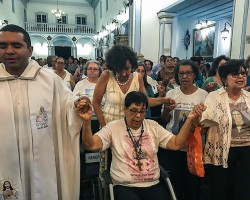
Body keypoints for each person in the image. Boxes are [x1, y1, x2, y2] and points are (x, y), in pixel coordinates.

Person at [0, 24, 86, 200]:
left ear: (29, 50)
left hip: (43, 159)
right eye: (3, 46)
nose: (9, 51)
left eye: (16, 46)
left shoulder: (49, 80)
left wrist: (78, 106)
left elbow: (67, 105)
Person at [80, 91, 204, 200]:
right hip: (125, 185)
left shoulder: (153, 126)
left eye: (142, 111)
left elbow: (177, 144)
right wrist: (86, 121)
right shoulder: (113, 127)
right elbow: (90, 145)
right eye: (134, 111)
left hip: (153, 184)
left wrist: (190, 119)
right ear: (125, 110)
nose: (138, 116)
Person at [195, 59, 250, 200]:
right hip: (223, 150)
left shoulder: (249, 97)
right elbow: (203, 123)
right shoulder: (214, 97)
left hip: (247, 152)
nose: (240, 77)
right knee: (221, 191)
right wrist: (199, 114)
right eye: (235, 74)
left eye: (243, 73)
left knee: (243, 192)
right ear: (224, 78)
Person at [93, 45, 174, 128]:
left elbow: (146, 101)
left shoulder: (137, 77)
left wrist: (163, 100)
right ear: (113, 67)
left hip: (131, 125)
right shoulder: (106, 76)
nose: (124, 73)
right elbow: (96, 103)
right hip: (109, 125)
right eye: (119, 70)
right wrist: (103, 124)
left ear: (132, 65)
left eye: (127, 68)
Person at [161, 60, 208, 200]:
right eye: (181, 73)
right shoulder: (172, 93)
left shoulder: (203, 95)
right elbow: (164, 119)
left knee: (193, 185)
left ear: (194, 75)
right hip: (174, 146)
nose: (184, 76)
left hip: (193, 148)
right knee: (175, 183)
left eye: (188, 73)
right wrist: (167, 109)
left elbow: (206, 125)